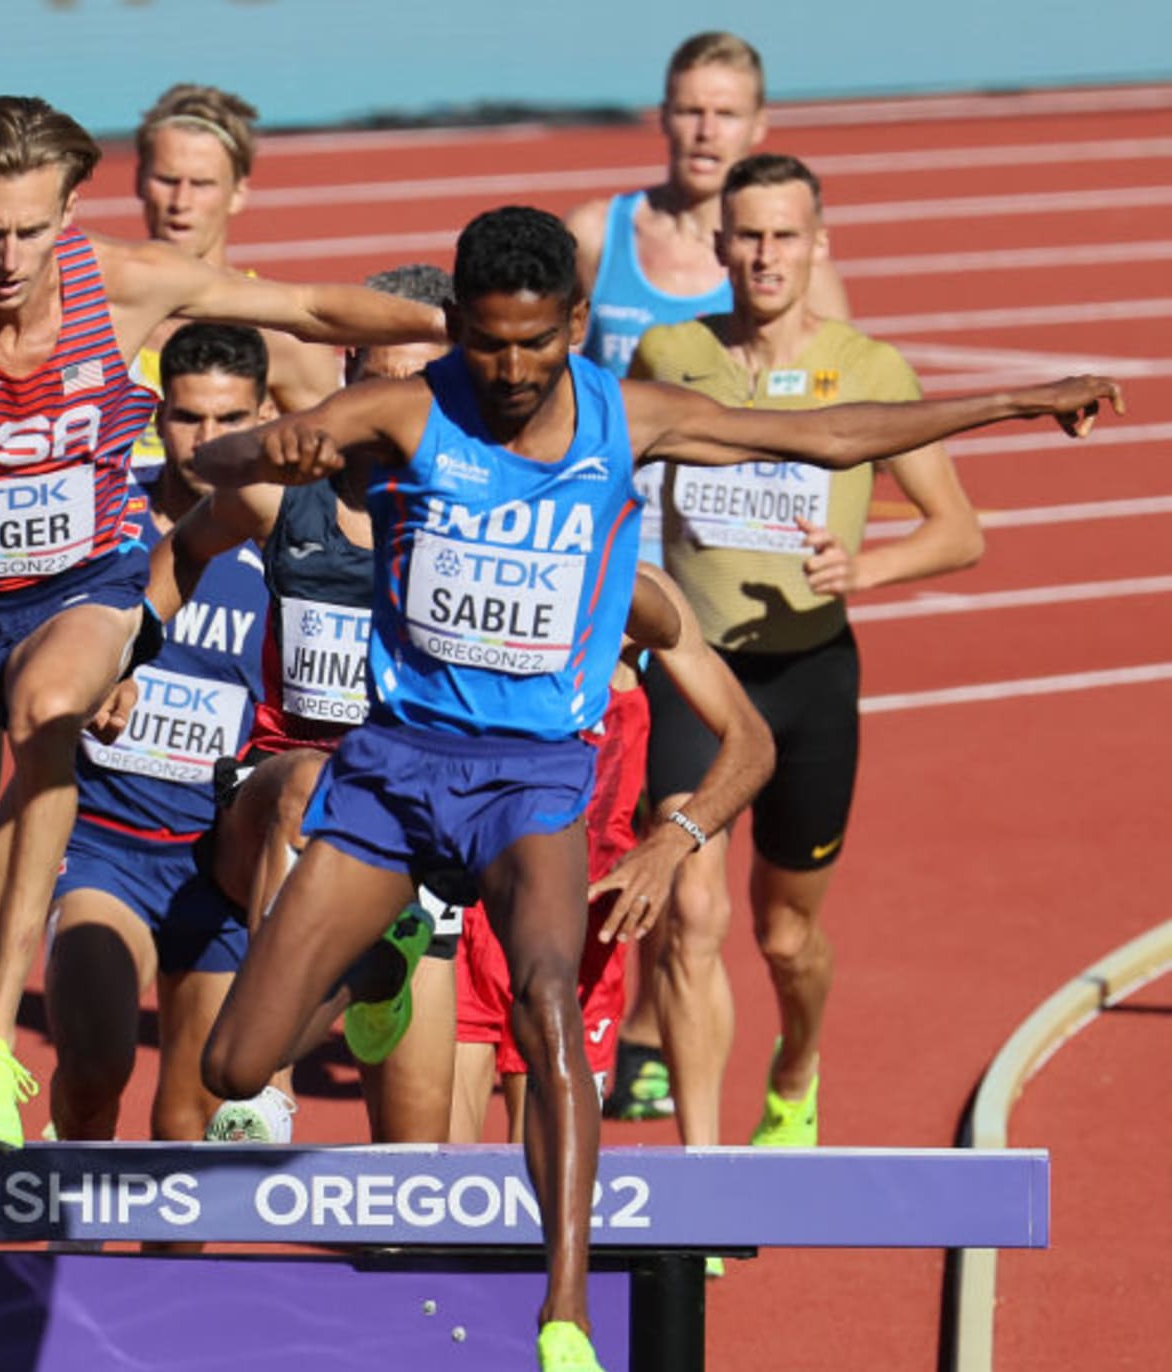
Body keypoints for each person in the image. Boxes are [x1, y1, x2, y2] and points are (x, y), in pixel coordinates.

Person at [190, 204, 1117, 1369]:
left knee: (542, 995)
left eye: (536, 343)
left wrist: (1013, 402)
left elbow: (830, 437)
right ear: (456, 331)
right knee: (233, 1070)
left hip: (532, 778)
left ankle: (565, 1311)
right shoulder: (406, 411)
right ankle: (380, 963)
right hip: (396, 762)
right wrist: (253, 451)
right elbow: (210, 458)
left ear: (575, 324)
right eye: (487, 343)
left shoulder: (627, 419)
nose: (514, 370)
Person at [0, 94, 446, 1236]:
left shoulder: (123, 284)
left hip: (82, 584)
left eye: (33, 230)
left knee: (51, 703)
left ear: (68, 213)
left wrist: (481, 333)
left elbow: (308, 302)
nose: (9, 258)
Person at [631, 153, 986, 1153]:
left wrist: (861, 569)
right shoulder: (668, 352)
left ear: (817, 245)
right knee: (688, 915)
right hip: (695, 681)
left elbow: (957, 529)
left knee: (782, 938)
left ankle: (795, 1068)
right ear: (718, 245)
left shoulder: (869, 371)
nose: (765, 254)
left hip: (809, 678)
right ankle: (699, 1180)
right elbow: (606, 477)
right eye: (746, 235)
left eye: (785, 235)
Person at [146, 265, 460, 1147]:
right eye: (374, 380)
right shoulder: (287, 490)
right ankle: (269, 1085)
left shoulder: (475, 513)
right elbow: (179, 552)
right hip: (276, 795)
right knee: (311, 783)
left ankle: (380, 961)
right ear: (347, 374)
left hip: (410, 828)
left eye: (417, 385)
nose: (392, 405)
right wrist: (122, 655)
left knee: (421, 1159)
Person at [449, 565, 770, 1144]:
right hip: (459, 909)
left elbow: (750, 741)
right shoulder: (456, 568)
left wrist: (671, 841)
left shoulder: (630, 593)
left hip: (577, 926)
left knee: (539, 1197)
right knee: (438, 1183)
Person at [48, 324, 271, 1149]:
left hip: (220, 866)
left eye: (229, 419)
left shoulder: (287, 542)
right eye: (185, 417)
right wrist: (97, 668)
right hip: (103, 847)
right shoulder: (100, 521)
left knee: (194, 1120)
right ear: (156, 414)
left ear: (267, 413)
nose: (206, 441)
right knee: (94, 1069)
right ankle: (73, 1261)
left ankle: (170, 1282)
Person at [565, 31, 849, 578]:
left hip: (731, 534)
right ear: (665, 116)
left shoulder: (795, 264)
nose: (706, 131)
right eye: (691, 110)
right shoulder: (599, 234)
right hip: (617, 525)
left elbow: (849, 400)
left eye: (726, 113)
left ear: (759, 125)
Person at [125, 84, 341, 479]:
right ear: (139, 180)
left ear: (238, 192)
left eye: (202, 183)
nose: (181, 202)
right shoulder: (94, 314)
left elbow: (337, 477)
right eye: (167, 179)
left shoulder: (283, 337)